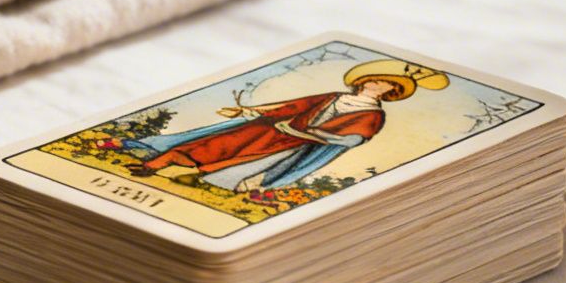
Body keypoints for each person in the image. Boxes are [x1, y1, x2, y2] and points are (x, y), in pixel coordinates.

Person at [127, 59, 448, 193]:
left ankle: (194, 176)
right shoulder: (334, 95)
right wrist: (249, 109)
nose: (376, 85)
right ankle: (153, 165)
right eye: (375, 80)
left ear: (390, 93)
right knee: (217, 142)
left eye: (384, 86)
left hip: (296, 143)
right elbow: (294, 107)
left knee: (243, 160)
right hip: (275, 128)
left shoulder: (374, 115)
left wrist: (314, 135)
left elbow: (353, 140)